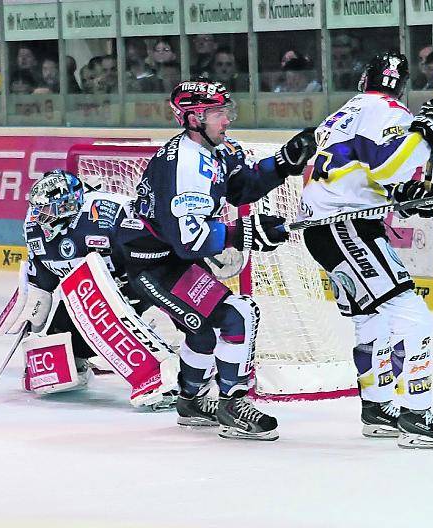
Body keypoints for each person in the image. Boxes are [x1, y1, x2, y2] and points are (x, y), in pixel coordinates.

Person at [121, 81, 317, 441]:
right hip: (151, 264)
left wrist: (283, 163)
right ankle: (233, 403)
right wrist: (244, 233)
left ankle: (192, 402)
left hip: (172, 257)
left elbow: (242, 186)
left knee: (203, 328)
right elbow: (188, 240)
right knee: (238, 314)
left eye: (226, 111)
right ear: (194, 119)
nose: (226, 120)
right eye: (217, 113)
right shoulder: (184, 165)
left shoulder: (217, 148)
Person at [299, 51, 433, 449]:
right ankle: (416, 414)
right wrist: (427, 134)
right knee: (412, 316)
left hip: (327, 228)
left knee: (371, 318)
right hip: (346, 227)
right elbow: (389, 166)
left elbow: (367, 173)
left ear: (364, 80)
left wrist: (408, 194)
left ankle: (377, 408)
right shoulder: (389, 111)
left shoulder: (344, 113)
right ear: (401, 87)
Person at [0, 170, 177, 410]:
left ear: (67, 205)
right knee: (58, 355)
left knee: (122, 317)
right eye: (38, 208)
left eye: (47, 209)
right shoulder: (34, 227)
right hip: (86, 294)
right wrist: (35, 304)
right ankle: (81, 362)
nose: (40, 215)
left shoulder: (108, 212)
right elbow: (43, 275)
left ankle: (166, 372)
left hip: (135, 280)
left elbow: (153, 246)